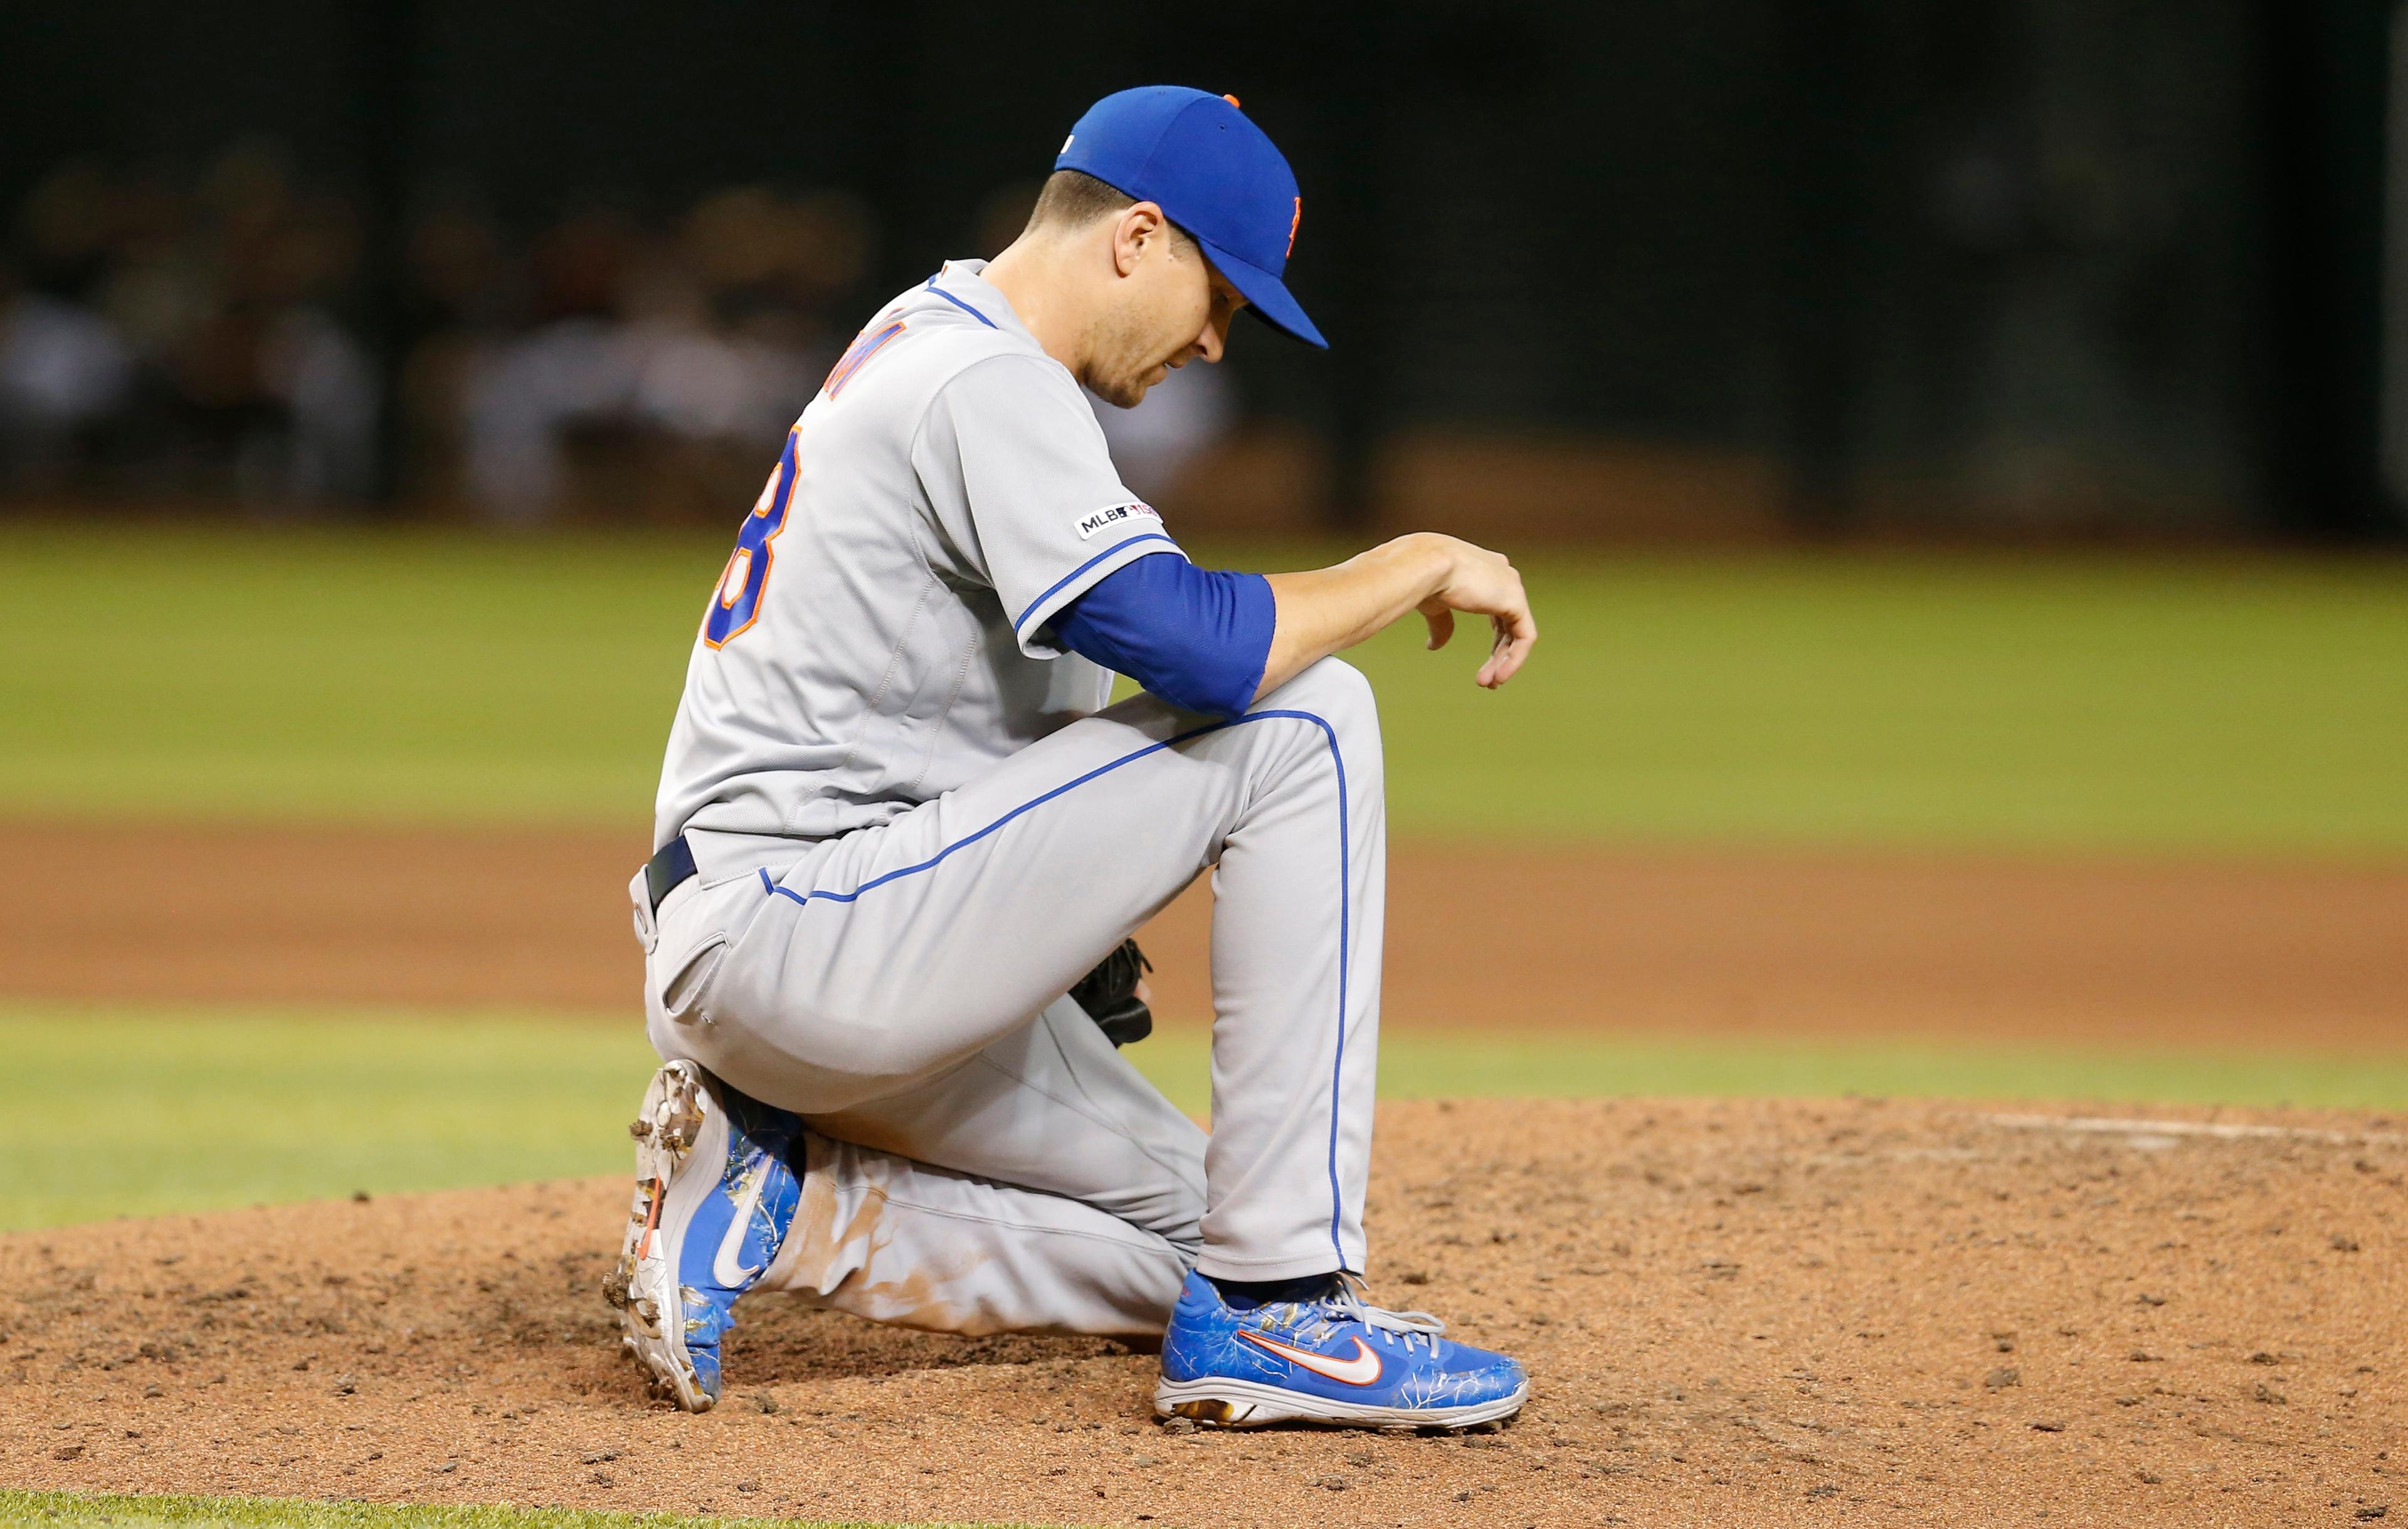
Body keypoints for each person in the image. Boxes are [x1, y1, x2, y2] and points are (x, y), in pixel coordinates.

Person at [610, 85, 1538, 1432]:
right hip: (795, 936)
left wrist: (1058, 917)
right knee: (1309, 717)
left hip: (836, 942)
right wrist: (1409, 561)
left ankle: (787, 1201)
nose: (1221, 340)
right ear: (1137, 237)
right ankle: (1287, 1314)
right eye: (1221, 293)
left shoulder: (933, 337)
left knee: (1204, 1243)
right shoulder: (981, 378)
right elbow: (1201, 652)